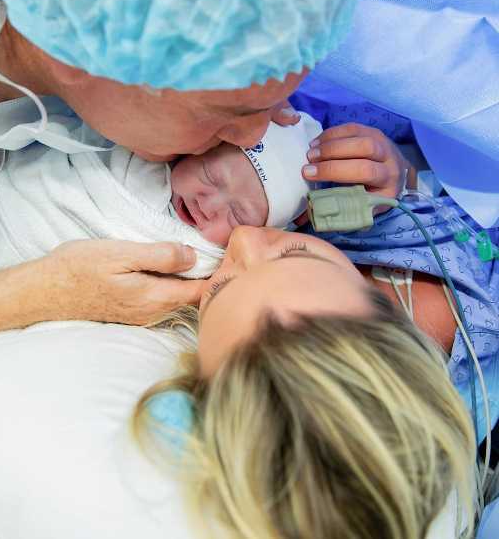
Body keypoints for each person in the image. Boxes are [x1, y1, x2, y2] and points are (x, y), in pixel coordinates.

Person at [0, 0, 378, 335]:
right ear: (82, 54)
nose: (252, 137)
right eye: (227, 112)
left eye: (276, 99)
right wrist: (35, 295)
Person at [133, 226, 476, 539]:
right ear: (390, 307)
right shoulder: (449, 309)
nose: (242, 237)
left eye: (219, 287)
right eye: (297, 252)